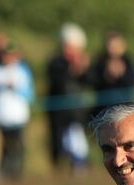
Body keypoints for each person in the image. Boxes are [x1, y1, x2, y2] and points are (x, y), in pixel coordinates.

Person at [0, 41, 34, 180]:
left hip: (18, 117)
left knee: (17, 148)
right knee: (3, 149)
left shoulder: (22, 71)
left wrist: (16, 87)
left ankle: (16, 175)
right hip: (0, 117)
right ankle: (5, 175)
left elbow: (29, 94)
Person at [46, 22, 91, 170]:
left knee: (78, 148)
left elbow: (89, 81)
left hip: (74, 115)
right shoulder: (56, 63)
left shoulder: (77, 63)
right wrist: (73, 68)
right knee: (59, 148)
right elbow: (58, 81)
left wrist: (81, 69)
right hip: (59, 115)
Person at [89, 30, 134, 115]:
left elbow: (133, 81)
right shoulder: (100, 61)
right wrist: (106, 75)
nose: (113, 49)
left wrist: (122, 75)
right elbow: (92, 80)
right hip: (103, 109)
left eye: (116, 46)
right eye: (111, 46)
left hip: (124, 108)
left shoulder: (127, 61)